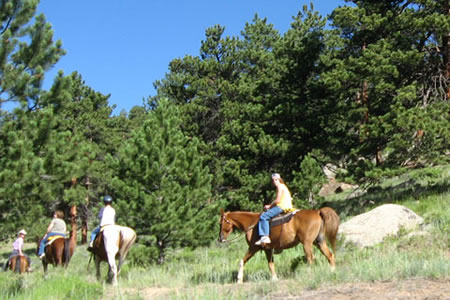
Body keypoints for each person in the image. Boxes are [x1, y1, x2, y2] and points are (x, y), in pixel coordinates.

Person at [255, 173, 293, 245]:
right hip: (288, 206)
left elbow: (278, 200)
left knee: (264, 216)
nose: (274, 181)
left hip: (282, 206)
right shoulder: (284, 186)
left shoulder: (280, 187)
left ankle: (264, 236)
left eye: (275, 180)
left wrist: (269, 206)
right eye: (273, 180)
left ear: (279, 180)